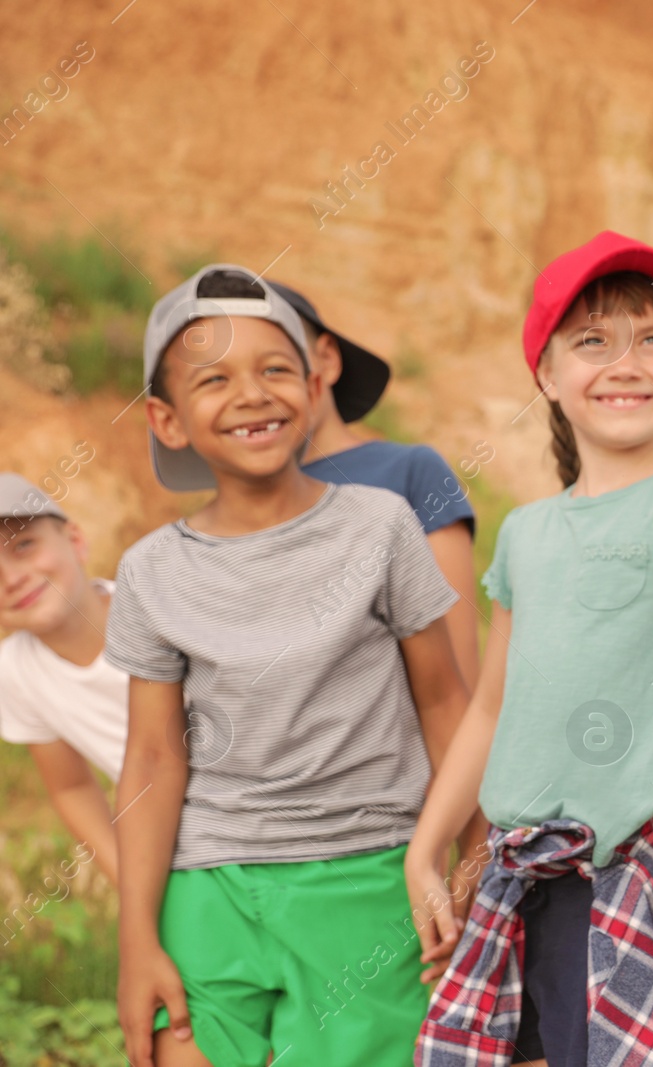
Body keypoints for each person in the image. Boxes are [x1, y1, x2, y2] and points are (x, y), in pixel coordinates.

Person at [108, 265, 473, 1067]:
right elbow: (153, 754)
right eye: (214, 378)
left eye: (276, 369)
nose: (252, 393)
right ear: (168, 420)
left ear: (314, 386)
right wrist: (138, 938)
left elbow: (447, 703)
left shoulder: (380, 526)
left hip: (371, 877)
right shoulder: (150, 570)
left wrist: (473, 858)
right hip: (210, 881)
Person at [407, 232, 653, 1067]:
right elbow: (492, 703)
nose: (625, 361)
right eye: (593, 341)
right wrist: (428, 842)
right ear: (548, 376)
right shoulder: (526, 531)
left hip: (649, 871)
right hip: (528, 881)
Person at [266, 280, 480, 691]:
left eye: (275, 364)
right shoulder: (238, 508)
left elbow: (458, 674)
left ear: (325, 359)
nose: (254, 389)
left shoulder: (412, 472)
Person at [0, 474, 125, 884]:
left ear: (75, 540)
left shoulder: (155, 610)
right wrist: (132, 881)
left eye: (23, 545)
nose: (11, 578)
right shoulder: (14, 673)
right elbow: (71, 787)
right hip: (181, 851)